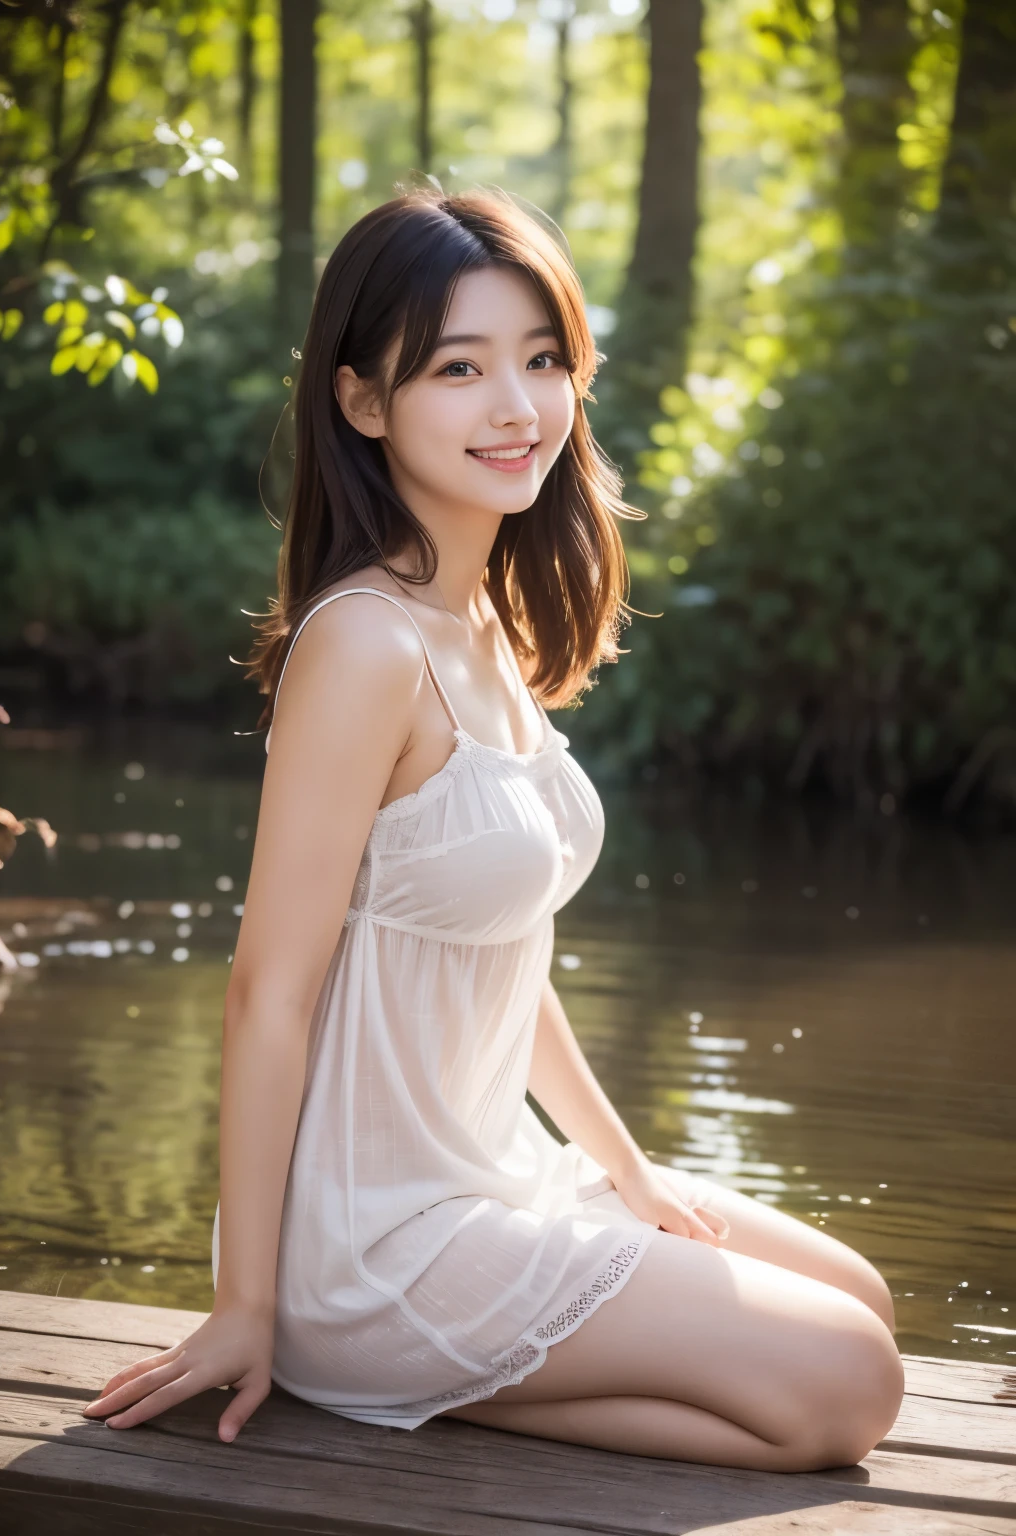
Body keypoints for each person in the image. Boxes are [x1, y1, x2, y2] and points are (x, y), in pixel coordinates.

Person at [83, 188, 903, 1469]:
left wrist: (626, 1171)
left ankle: (421, 1379)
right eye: (459, 369)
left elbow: (499, 958)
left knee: (862, 1300)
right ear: (363, 401)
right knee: (846, 1384)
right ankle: (331, 1353)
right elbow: (267, 994)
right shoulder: (363, 642)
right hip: (377, 1236)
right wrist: (244, 1303)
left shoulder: (489, 626)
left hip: (496, 1177)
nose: (516, 407)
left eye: (540, 360)